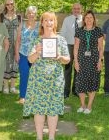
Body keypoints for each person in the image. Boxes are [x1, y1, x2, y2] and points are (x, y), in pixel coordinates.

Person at [23, 12, 70, 140]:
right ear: (42, 23)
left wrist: (60, 57)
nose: (49, 23)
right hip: (38, 79)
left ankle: (51, 137)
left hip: (55, 79)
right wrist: (37, 52)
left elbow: (67, 59)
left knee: (53, 108)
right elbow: (30, 60)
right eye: (46, 20)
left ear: (55, 23)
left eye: (51, 20)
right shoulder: (36, 40)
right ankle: (39, 137)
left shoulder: (61, 40)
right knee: (39, 108)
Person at [73, 10, 104, 114]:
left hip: (94, 60)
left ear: (94, 19)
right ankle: (82, 105)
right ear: (84, 19)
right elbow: (76, 48)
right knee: (80, 83)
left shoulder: (98, 31)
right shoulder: (79, 31)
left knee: (92, 82)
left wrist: (100, 60)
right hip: (81, 60)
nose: (89, 20)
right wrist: (76, 61)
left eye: (91, 18)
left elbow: (101, 48)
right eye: (87, 18)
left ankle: (89, 106)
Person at [15, 6, 39, 104]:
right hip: (23, 54)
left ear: (35, 14)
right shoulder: (22, 25)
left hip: (36, 54)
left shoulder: (40, 25)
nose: (31, 15)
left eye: (33, 13)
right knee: (24, 75)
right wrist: (16, 54)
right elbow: (18, 41)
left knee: (35, 75)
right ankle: (23, 96)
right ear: (26, 14)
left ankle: (35, 96)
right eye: (29, 13)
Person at [60, 3, 82, 98]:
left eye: (78, 9)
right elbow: (62, 33)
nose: (76, 10)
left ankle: (76, 89)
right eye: (74, 9)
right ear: (72, 9)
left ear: (81, 9)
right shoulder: (67, 19)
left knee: (78, 69)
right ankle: (66, 91)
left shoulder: (84, 20)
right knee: (67, 69)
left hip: (81, 47)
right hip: (69, 45)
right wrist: (62, 47)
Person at [0, 0, 21, 94]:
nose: (10, 6)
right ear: (5, 5)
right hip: (5, 44)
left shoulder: (19, 17)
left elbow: (20, 31)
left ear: (14, 4)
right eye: (7, 4)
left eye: (11, 4)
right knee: (5, 64)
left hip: (16, 43)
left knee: (15, 64)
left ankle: (12, 86)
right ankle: (5, 86)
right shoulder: (1, 16)